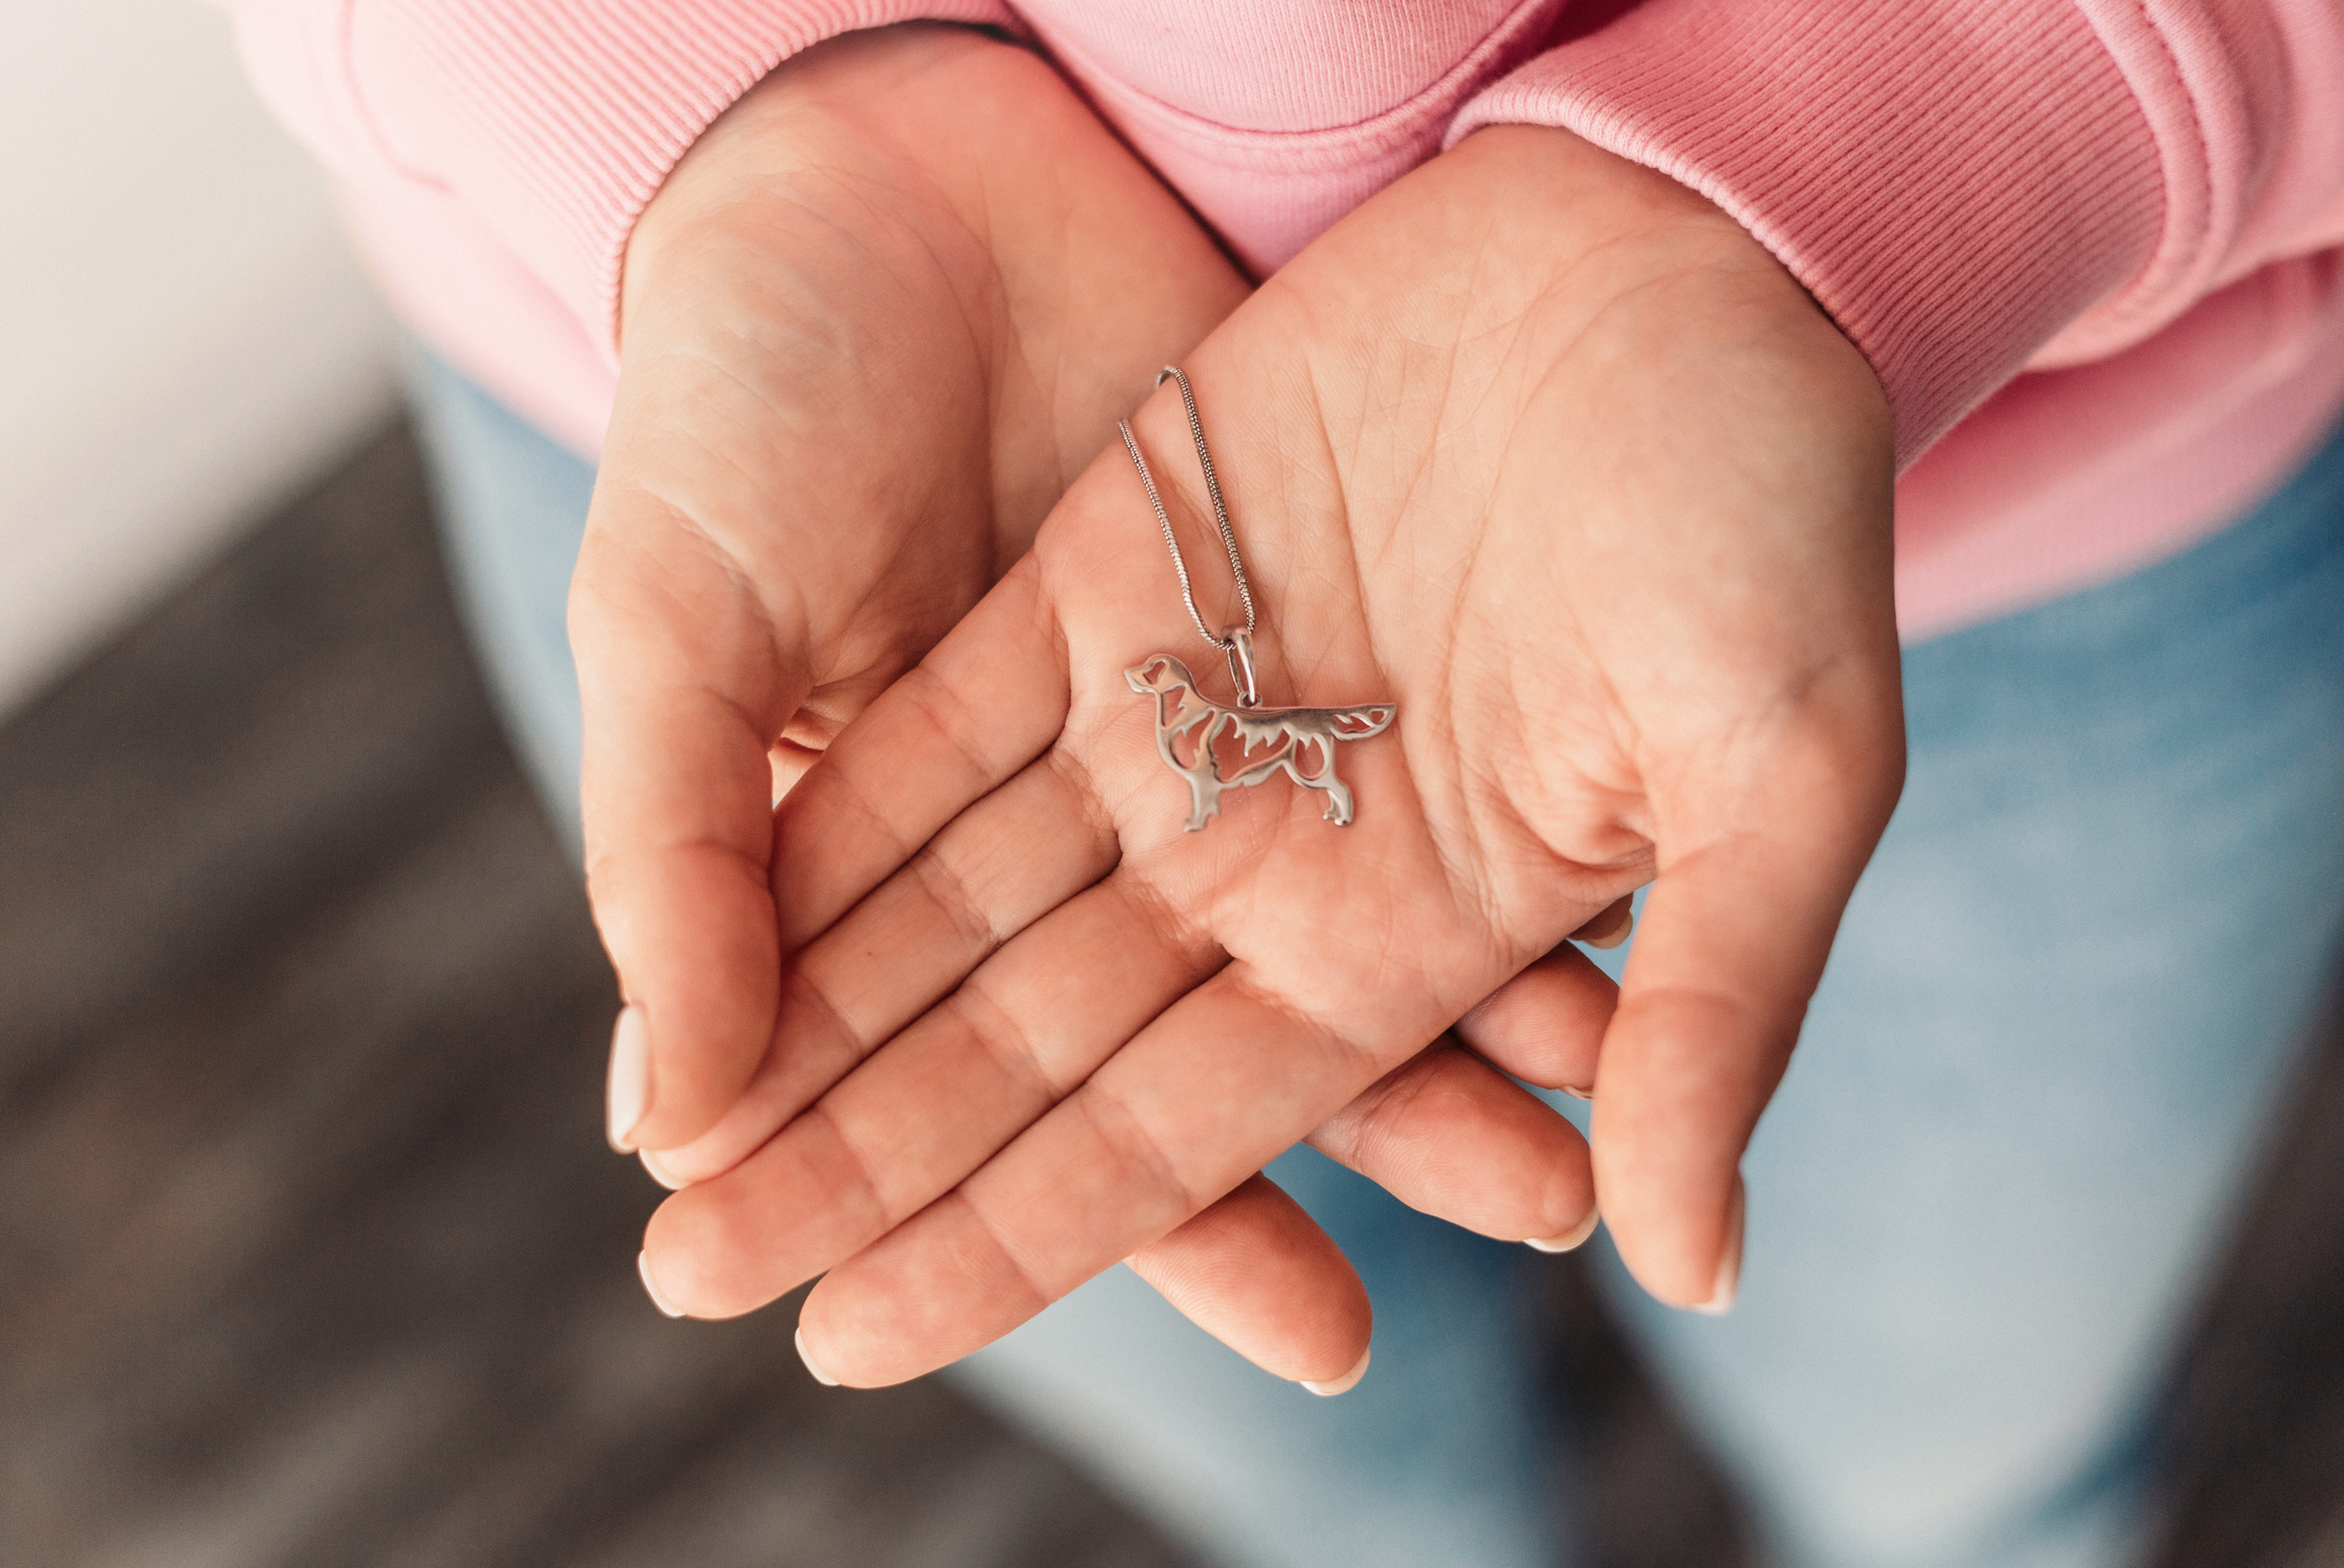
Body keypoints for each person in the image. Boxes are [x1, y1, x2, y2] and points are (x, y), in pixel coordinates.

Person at [229, 5, 2344, 1566]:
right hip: (764, 404)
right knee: (1292, 1441)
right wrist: (688, 83)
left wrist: (1997, 98)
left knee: (1955, 1445)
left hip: (2061, 500)